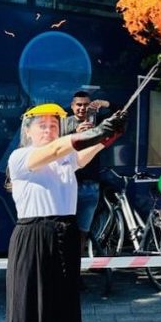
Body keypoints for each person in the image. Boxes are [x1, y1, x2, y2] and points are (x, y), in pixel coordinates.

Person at [4, 102, 126, 322]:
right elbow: (63, 145)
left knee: (64, 318)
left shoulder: (64, 160)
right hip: (33, 237)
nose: (49, 129)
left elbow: (82, 151)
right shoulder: (22, 158)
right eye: (41, 124)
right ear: (27, 131)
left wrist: (110, 133)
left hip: (65, 236)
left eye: (54, 124)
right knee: (30, 317)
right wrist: (87, 135)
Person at [60, 91, 110, 257]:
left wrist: (104, 103)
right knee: (64, 229)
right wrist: (75, 133)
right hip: (67, 183)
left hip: (90, 185)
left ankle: (77, 273)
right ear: (72, 106)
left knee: (83, 230)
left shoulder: (97, 122)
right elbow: (54, 148)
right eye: (78, 105)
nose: (82, 108)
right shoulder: (64, 124)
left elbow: (122, 114)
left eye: (86, 105)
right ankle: (62, 270)